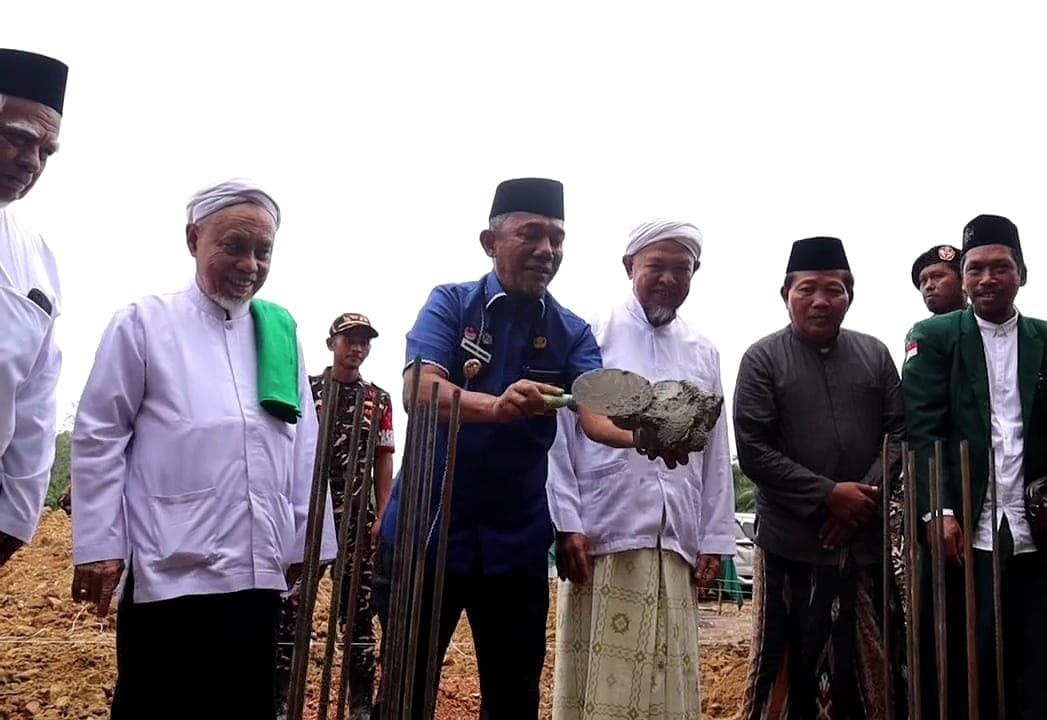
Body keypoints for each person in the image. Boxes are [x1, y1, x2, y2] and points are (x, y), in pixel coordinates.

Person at [373, 178, 685, 720]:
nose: (547, 250)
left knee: (514, 697)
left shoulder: (570, 331)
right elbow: (419, 389)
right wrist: (493, 407)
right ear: (489, 242)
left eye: (557, 239)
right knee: (405, 692)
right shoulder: (451, 303)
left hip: (514, 546)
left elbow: (594, 411)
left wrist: (642, 435)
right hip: (427, 535)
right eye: (531, 234)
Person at [70, 179, 336, 720]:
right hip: (170, 564)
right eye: (234, 246)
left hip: (258, 568)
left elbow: (304, 445)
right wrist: (99, 543)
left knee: (243, 704)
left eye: (264, 251)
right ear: (194, 238)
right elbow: (100, 433)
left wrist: (306, 540)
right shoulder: (144, 322)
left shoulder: (279, 332)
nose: (250, 264)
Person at [547, 219, 736, 719]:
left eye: (683, 268)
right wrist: (567, 524)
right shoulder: (590, 332)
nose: (669, 279)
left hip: (676, 537)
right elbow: (561, 437)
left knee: (668, 677)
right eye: (657, 266)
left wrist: (715, 539)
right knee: (601, 689)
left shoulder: (703, 350)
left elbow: (716, 451)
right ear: (630, 266)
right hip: (605, 531)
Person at [734, 236, 905, 719]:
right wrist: (828, 495)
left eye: (834, 290)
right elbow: (754, 450)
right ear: (785, 293)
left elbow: (900, 434)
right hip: (791, 538)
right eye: (807, 289)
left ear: (850, 295)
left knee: (868, 666)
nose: (820, 301)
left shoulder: (874, 353)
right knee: (782, 665)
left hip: (861, 541)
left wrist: (861, 500)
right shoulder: (762, 358)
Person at [903, 213, 1047, 718]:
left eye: (1000, 267)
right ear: (964, 280)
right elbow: (922, 431)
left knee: (1036, 668)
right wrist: (936, 511)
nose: (987, 279)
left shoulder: (1043, 338)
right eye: (976, 269)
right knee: (966, 668)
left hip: (1035, 531)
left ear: (1022, 274)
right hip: (965, 530)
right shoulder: (935, 336)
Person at [274, 312, 394, 719]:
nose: (356, 348)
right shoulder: (307, 391)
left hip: (356, 517)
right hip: (309, 513)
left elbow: (383, 460)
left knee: (358, 614)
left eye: (363, 341)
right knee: (291, 607)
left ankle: (359, 703)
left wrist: (383, 514)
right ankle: (279, 698)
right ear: (332, 343)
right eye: (348, 339)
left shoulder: (379, 400)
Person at [0, 48, 68, 565]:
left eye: (45, 151)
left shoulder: (35, 260)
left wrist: (14, 521)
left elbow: (36, 406)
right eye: (19, 139)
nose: (31, 162)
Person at [912, 244, 965, 315]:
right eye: (923, 281)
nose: (928, 286)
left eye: (938, 276)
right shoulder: (925, 326)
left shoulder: (983, 320)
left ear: (963, 279)